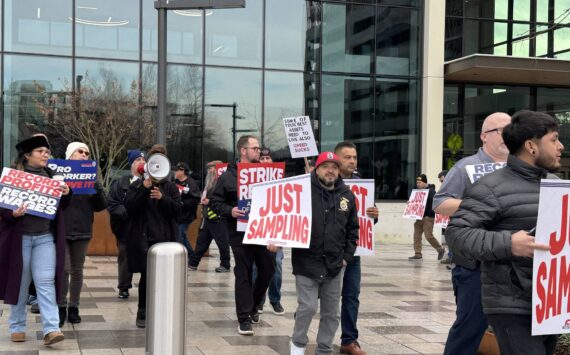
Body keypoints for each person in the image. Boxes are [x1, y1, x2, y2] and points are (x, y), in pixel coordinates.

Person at [445, 110, 561, 355]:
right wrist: (509, 243)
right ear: (531, 146)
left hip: (550, 303)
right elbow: (457, 234)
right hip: (511, 305)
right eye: (554, 139)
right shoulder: (490, 186)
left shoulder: (555, 184)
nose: (560, 146)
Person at [433, 112, 511, 355]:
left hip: (511, 261)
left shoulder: (520, 169)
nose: (507, 135)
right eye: (501, 130)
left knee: (512, 329)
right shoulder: (466, 167)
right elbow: (440, 202)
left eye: (511, 129)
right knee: (470, 326)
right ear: (484, 136)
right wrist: (478, 203)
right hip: (474, 265)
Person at [0, 135, 72, 345]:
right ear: (27, 155)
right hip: (19, 239)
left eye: (47, 151)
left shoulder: (53, 177)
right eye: (41, 151)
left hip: (44, 239)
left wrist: (67, 193)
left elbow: (62, 206)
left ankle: (51, 328)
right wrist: (13, 214)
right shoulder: (13, 177)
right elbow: (3, 208)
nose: (45, 155)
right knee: (20, 283)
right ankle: (17, 326)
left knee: (46, 282)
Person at [290, 152, 359, 355]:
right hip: (306, 262)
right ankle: (298, 343)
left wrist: (347, 257)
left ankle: (324, 349)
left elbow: (353, 229)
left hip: (335, 264)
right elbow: (286, 218)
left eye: (335, 167)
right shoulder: (300, 191)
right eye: (325, 166)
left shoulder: (347, 195)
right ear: (316, 169)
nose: (331, 170)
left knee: (331, 313)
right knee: (308, 307)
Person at [210, 135, 275, 336]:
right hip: (239, 232)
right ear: (243, 150)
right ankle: (244, 317)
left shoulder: (268, 174)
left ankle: (254, 305)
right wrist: (230, 211)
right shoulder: (228, 176)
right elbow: (214, 202)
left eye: (259, 148)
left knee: (268, 269)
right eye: (255, 148)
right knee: (243, 272)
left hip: (263, 230)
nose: (259, 152)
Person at [124, 148, 181, 328]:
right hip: (144, 240)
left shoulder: (171, 188)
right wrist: (144, 188)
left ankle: (162, 310)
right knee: (147, 277)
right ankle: (143, 310)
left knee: (165, 278)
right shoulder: (137, 185)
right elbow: (130, 207)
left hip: (164, 239)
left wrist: (163, 199)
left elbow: (178, 212)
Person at [334, 141, 378, 355]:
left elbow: (367, 218)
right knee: (317, 296)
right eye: (347, 157)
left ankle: (349, 340)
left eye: (354, 157)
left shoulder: (363, 184)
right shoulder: (326, 181)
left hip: (354, 250)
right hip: (328, 250)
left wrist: (374, 215)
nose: (352, 161)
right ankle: (301, 328)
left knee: (351, 295)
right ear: (337, 159)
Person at [58, 142, 107, 327]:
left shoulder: (91, 178)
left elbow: (101, 206)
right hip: (63, 229)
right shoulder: (58, 174)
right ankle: (61, 306)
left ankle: (74, 307)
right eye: (80, 151)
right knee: (64, 269)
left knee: (77, 270)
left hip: (83, 229)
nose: (84, 154)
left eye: (87, 152)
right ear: (70, 155)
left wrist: (96, 188)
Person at [107, 150, 145, 300]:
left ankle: (147, 286)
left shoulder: (151, 182)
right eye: (138, 160)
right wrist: (126, 213)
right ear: (131, 164)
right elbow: (112, 203)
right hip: (126, 228)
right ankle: (124, 287)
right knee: (125, 257)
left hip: (144, 229)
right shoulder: (120, 183)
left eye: (144, 159)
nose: (141, 162)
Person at [253, 148, 285, 315]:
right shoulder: (251, 180)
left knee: (277, 266)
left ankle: (275, 299)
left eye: (268, 158)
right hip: (258, 230)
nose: (265, 161)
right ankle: (258, 300)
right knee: (256, 268)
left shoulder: (281, 181)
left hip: (276, 229)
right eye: (262, 158)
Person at [188, 160, 231, 272]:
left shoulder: (223, 181)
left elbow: (223, 198)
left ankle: (225, 265)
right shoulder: (210, 181)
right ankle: (193, 263)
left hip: (218, 217)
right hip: (208, 217)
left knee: (222, 243)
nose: (209, 171)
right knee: (201, 241)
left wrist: (209, 201)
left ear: (217, 168)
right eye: (208, 168)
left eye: (211, 168)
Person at [408, 174, 445, 261]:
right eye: (417, 182)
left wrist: (429, 214)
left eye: (420, 182)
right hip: (419, 217)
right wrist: (410, 203)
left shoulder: (431, 191)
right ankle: (417, 253)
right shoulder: (417, 192)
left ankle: (440, 249)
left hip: (428, 217)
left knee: (428, 236)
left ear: (425, 182)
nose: (418, 184)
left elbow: (434, 203)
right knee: (416, 236)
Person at [174, 162, 201, 257]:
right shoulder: (175, 182)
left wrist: (183, 203)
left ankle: (188, 255)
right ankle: (192, 254)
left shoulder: (191, 183)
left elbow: (196, 199)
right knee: (182, 235)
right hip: (177, 215)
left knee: (180, 236)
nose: (174, 172)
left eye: (176, 170)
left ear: (182, 171)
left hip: (187, 215)